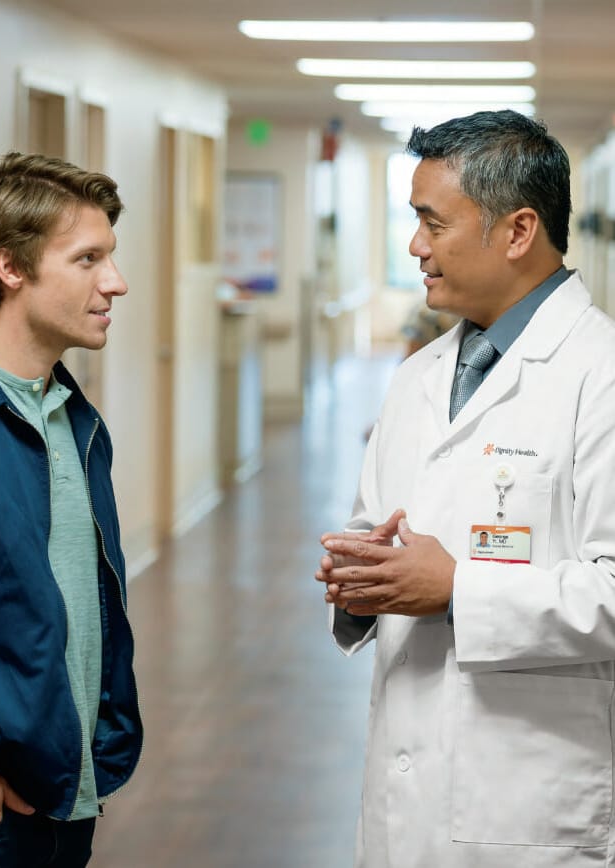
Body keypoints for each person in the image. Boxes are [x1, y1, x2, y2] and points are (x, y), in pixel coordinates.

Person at [315, 109, 615, 867]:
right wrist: (361, 583)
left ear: (517, 232)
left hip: (531, 804)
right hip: (404, 794)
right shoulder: (418, 376)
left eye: (432, 223)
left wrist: (455, 590)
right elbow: (375, 528)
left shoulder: (600, 374)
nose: (415, 246)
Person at [0, 152, 143, 867]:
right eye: (88, 259)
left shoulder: (71, 416)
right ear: (11, 268)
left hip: (64, 788)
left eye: (110, 256)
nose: (116, 282)